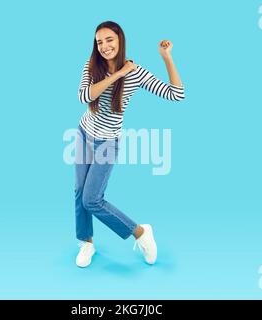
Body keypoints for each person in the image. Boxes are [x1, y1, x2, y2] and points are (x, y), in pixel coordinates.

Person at [75, 20, 185, 267]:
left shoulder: (135, 73)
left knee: (92, 199)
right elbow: (84, 95)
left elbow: (176, 94)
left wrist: (166, 57)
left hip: (106, 141)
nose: (104, 46)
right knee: (79, 192)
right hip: (84, 133)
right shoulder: (91, 66)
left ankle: (141, 233)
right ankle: (86, 243)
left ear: (120, 40)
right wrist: (118, 74)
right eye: (99, 42)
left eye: (109, 40)